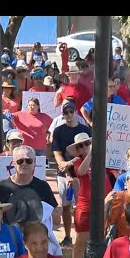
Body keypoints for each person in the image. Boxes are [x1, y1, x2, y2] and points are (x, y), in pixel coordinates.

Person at [66, 133, 112, 258]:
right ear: (78, 150)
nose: (85, 147)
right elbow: (81, 171)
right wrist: (91, 154)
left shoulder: (103, 158)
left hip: (105, 202)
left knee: (104, 236)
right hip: (86, 204)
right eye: (81, 146)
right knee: (81, 238)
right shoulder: (78, 162)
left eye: (87, 143)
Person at [51, 101, 91, 246]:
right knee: (66, 206)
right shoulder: (58, 130)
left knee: (83, 207)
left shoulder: (84, 130)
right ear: (62, 114)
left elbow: (88, 151)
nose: (69, 114)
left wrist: (71, 164)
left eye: (71, 111)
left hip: (84, 174)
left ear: (75, 112)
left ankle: (83, 238)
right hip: (64, 174)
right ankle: (68, 236)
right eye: (65, 112)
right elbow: (57, 152)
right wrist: (63, 166)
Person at [0, 146, 57, 231]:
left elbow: (56, 219)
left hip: (35, 239)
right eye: (20, 161)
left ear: (34, 163)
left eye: (29, 161)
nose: (24, 164)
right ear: (13, 164)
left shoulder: (43, 187)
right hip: (10, 237)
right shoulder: (1, 188)